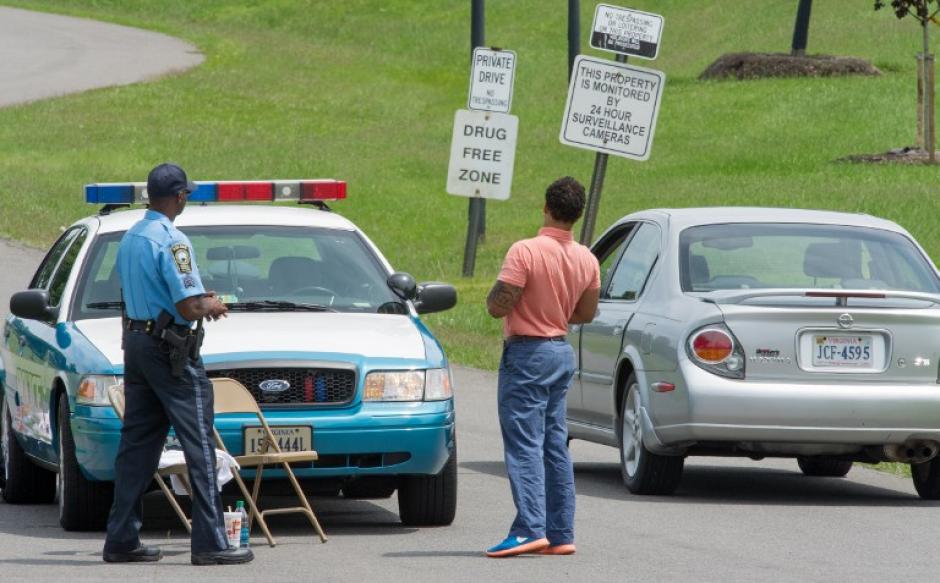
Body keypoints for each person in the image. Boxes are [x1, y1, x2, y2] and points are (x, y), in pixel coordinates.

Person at [102, 163, 253, 566]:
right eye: (187, 193)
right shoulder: (173, 241)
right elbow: (189, 304)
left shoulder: (131, 235)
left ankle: (120, 539)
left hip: (136, 342)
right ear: (180, 196)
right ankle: (210, 542)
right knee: (200, 443)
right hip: (170, 349)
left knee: (137, 444)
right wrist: (213, 304)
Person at [484, 176, 600, 559]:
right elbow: (585, 313)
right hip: (560, 350)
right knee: (554, 444)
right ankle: (560, 531)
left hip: (528, 352)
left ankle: (529, 528)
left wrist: (502, 295)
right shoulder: (587, 258)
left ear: (546, 208)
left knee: (524, 442)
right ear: (578, 214)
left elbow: (498, 305)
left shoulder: (525, 251)